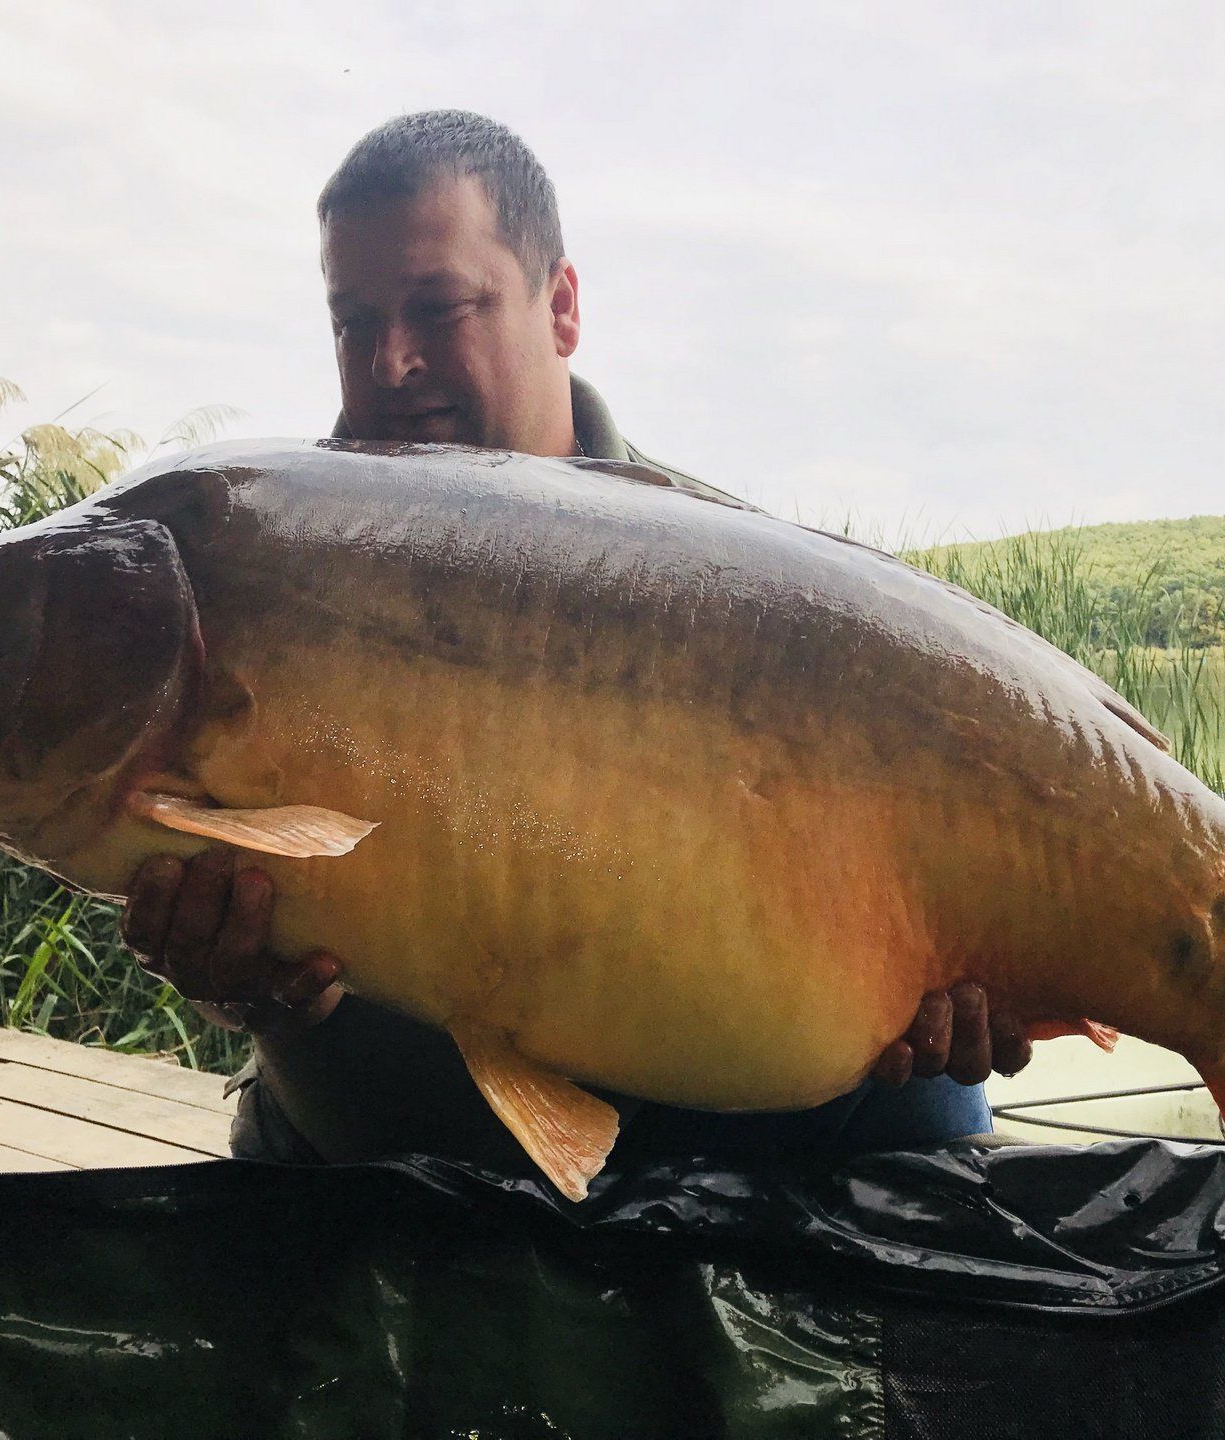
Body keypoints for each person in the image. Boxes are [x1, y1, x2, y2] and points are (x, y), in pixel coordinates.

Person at [122, 110, 1029, 1171]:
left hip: (737, 1123)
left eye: (437, 308)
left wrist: (967, 984)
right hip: (395, 1148)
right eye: (351, 323)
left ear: (560, 307)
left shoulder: (738, 584)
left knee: (930, 1104)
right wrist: (234, 985)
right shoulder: (269, 568)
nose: (390, 361)